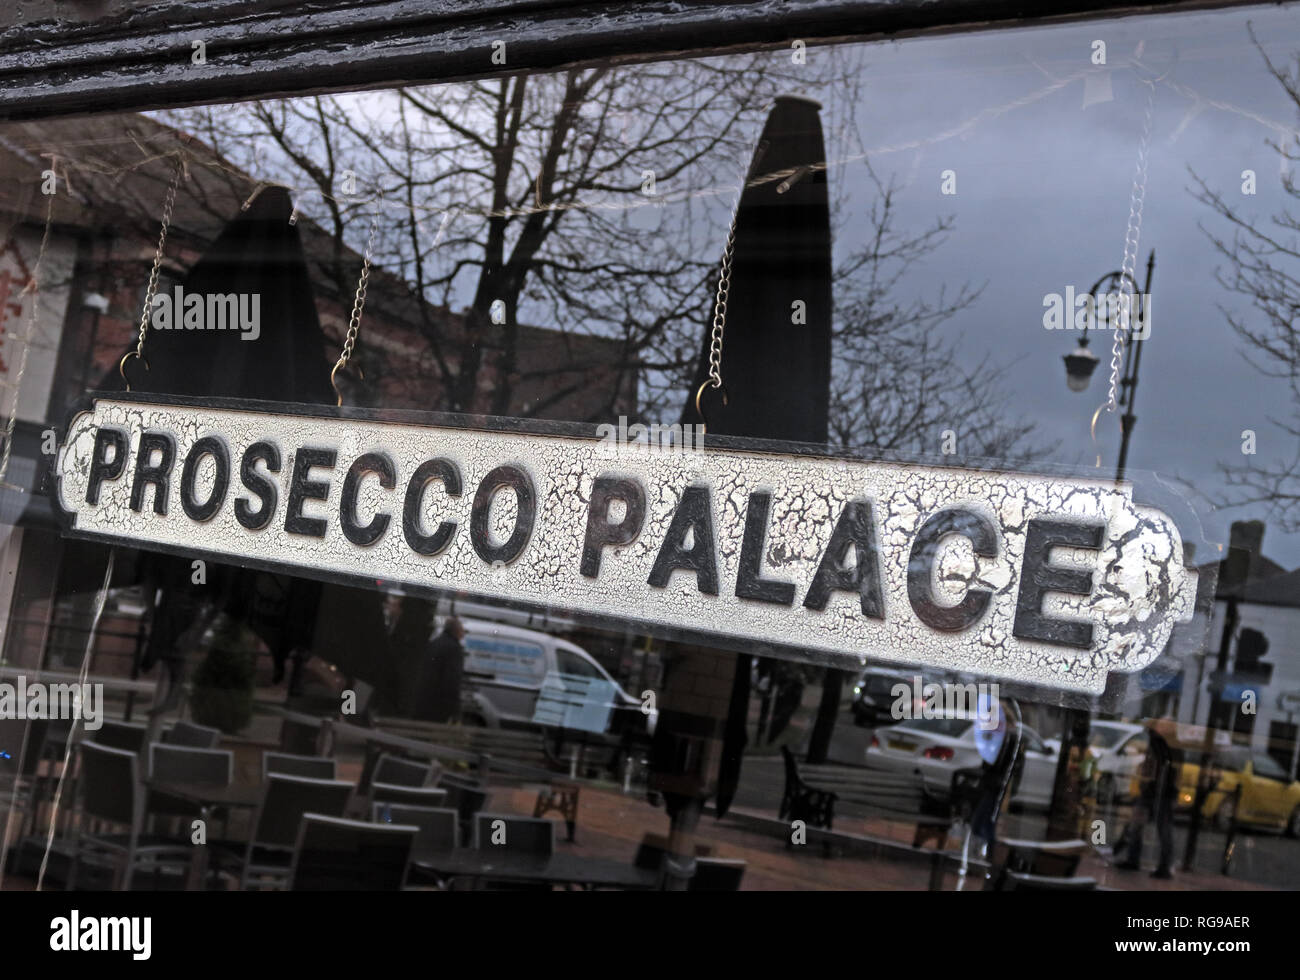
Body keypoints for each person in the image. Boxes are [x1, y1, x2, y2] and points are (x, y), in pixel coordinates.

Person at [1116, 724, 1177, 878]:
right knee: (1138, 826)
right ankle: (1135, 858)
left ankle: (1160, 865)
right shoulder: (1159, 744)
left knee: (1160, 830)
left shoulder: (1163, 745)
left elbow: (1161, 768)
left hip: (1159, 793)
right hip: (1154, 791)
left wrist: (1149, 782)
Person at [414, 616, 467, 724]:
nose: (464, 633)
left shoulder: (434, 643)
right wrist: (455, 711)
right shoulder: (454, 649)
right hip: (439, 704)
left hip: (422, 700)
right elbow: (452, 681)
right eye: (463, 630)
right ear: (457, 631)